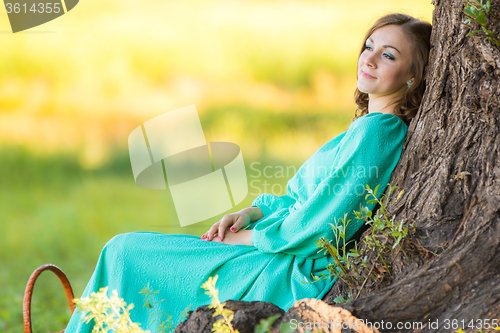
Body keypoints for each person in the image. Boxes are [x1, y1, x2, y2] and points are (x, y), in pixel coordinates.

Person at [64, 12, 432, 332]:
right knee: (125, 253)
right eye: (368, 46)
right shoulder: (364, 128)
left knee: (124, 253)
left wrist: (249, 238)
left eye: (388, 55)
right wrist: (253, 213)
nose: (369, 59)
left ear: (412, 76)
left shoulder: (377, 132)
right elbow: (300, 200)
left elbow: (322, 226)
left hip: (287, 267)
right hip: (276, 246)